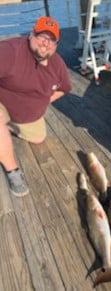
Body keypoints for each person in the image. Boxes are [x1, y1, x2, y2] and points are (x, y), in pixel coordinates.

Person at [0, 16, 72, 197]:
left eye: (51, 39)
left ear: (56, 44)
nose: (45, 43)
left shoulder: (58, 65)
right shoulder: (10, 51)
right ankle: (12, 171)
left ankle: (8, 126)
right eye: (41, 36)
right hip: (3, 103)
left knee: (39, 139)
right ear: (31, 34)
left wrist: (45, 100)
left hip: (25, 115)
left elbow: (65, 88)